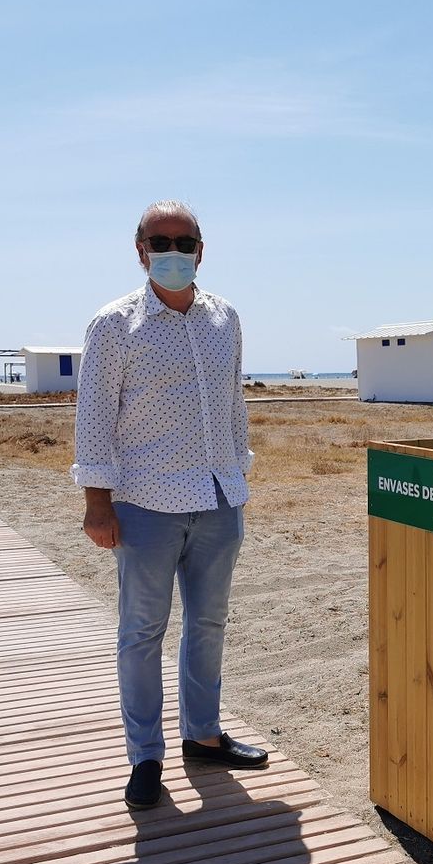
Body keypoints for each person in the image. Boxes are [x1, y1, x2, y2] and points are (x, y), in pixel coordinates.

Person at [72, 200, 267, 809]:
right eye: (162, 241)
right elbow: (95, 417)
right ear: (141, 250)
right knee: (141, 632)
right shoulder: (113, 325)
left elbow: (233, 407)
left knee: (208, 625)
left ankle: (202, 735)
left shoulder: (224, 319)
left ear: (202, 250)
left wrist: (239, 478)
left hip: (217, 500)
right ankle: (145, 756)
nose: (174, 252)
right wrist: (96, 504)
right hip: (144, 503)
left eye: (186, 242)